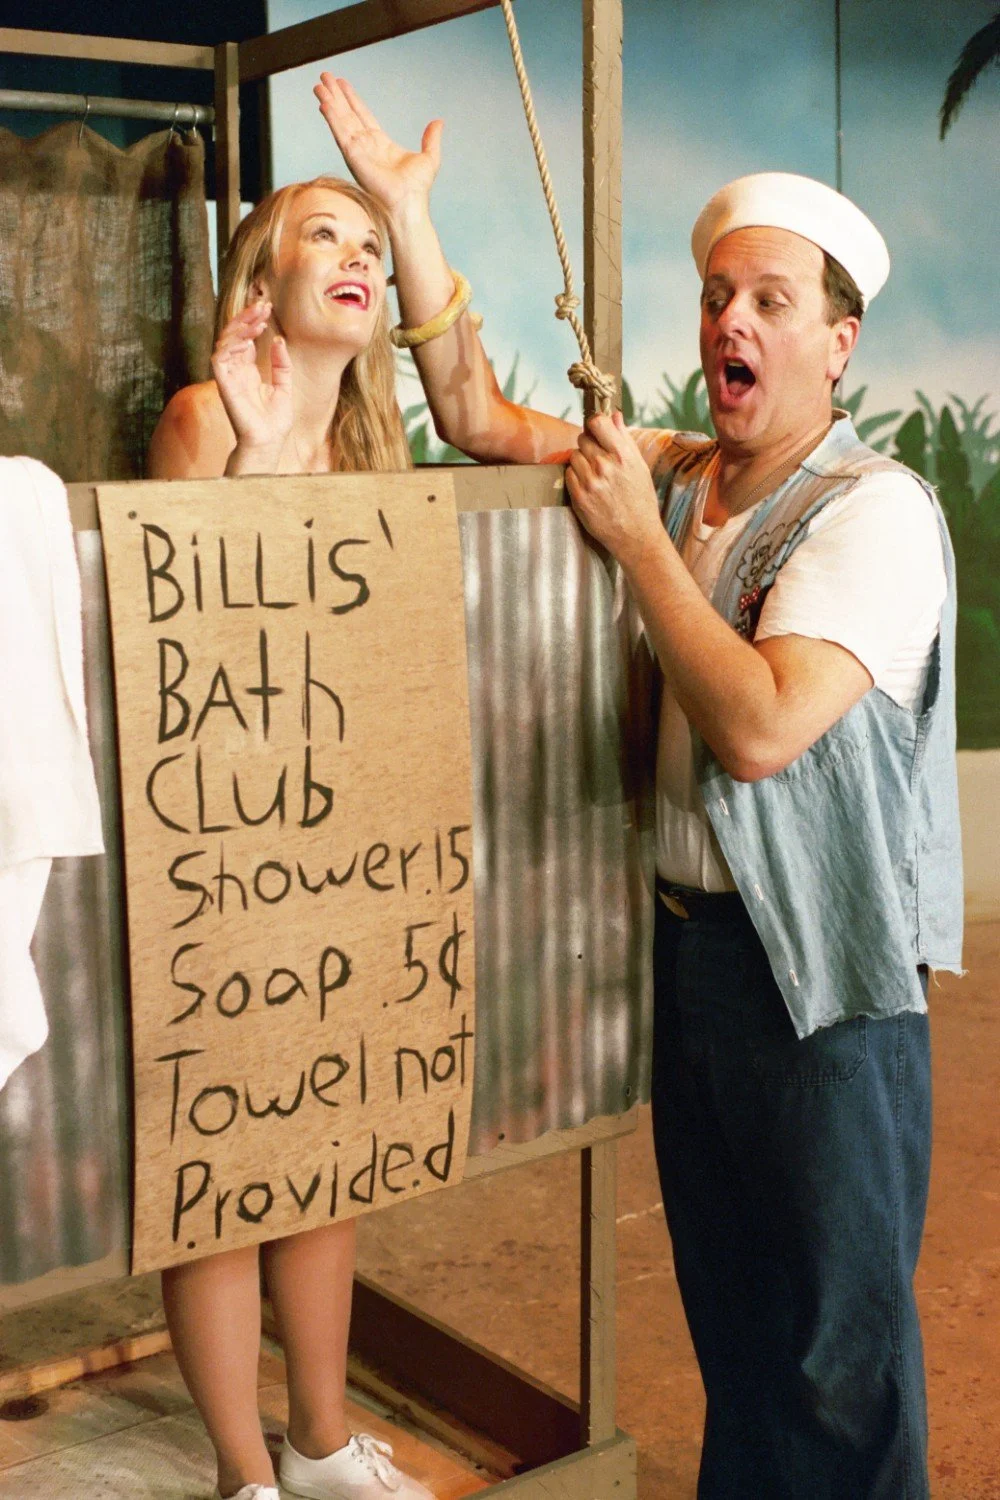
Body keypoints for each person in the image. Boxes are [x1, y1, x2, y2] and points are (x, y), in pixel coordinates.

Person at [317, 75, 963, 1500]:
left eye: (772, 303)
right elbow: (477, 412)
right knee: (738, 1336)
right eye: (719, 295)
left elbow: (760, 728)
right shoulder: (684, 477)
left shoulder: (877, 516)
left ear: (839, 346)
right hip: (696, 964)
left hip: (825, 998)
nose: (730, 321)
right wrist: (410, 224)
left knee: (833, 1364)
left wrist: (640, 547)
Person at [148, 176, 432, 1500]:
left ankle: (319, 1440)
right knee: (225, 1158)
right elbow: (190, 659)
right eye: (332, 233)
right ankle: (244, 1470)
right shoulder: (205, 421)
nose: (360, 256)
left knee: (330, 1140)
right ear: (260, 284)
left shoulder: (378, 456)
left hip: (346, 853)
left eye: (372, 246)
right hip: (221, 855)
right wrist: (257, 464)